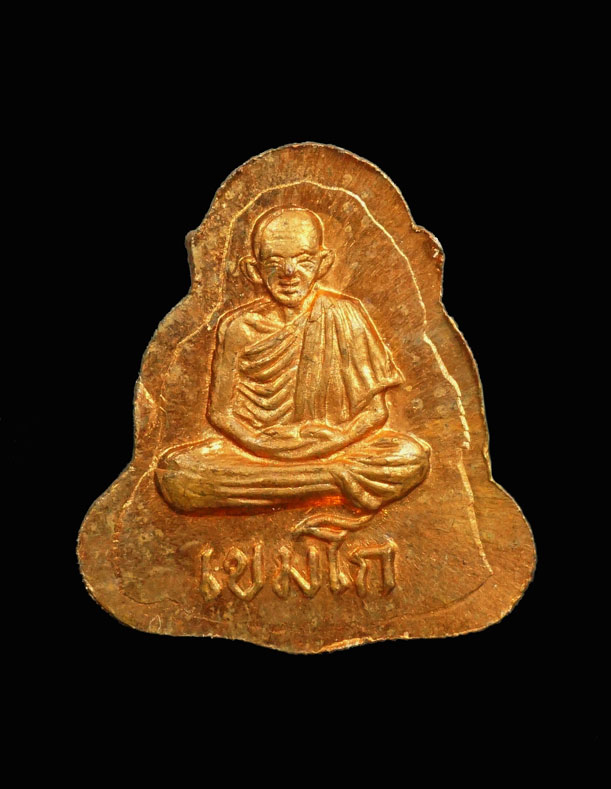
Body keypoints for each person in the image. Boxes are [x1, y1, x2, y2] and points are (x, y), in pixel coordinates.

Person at [155, 207, 430, 525]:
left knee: (410, 456)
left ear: (323, 263)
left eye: (303, 260)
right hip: (256, 452)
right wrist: (262, 445)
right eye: (274, 262)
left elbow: (376, 412)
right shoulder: (238, 328)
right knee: (179, 471)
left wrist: (336, 440)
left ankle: (307, 482)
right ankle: (331, 480)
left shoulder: (346, 315)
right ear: (253, 270)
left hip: (333, 444)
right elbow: (220, 413)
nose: (289, 272)